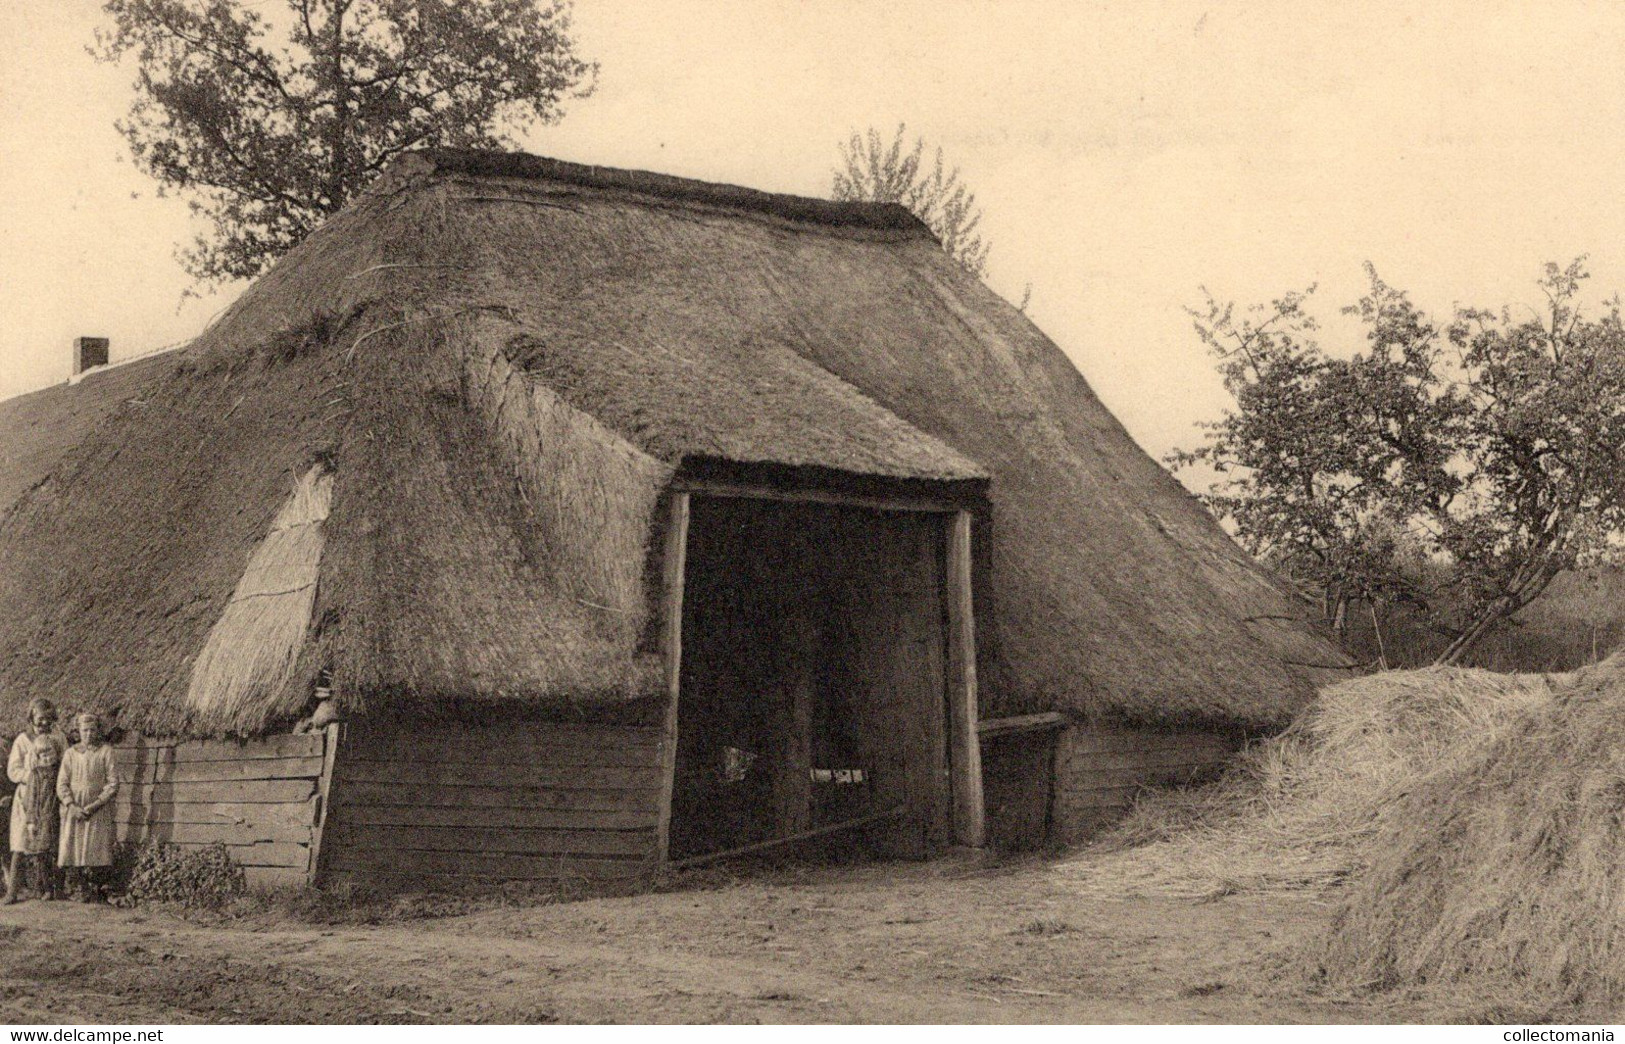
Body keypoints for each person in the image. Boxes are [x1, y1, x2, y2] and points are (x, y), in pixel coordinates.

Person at [5, 699, 67, 903]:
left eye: (49, 719)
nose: (44, 723)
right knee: (21, 842)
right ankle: (12, 891)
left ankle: (50, 890)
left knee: (49, 844)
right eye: (40, 719)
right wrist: (32, 777)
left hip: (51, 795)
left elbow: (66, 763)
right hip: (28, 796)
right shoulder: (23, 740)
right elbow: (13, 770)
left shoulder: (58, 737)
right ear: (32, 718)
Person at [57, 713, 119, 902]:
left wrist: (96, 804)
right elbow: (62, 783)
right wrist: (71, 805)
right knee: (74, 845)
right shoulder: (70, 753)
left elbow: (113, 782)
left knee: (96, 845)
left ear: (99, 731)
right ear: (78, 732)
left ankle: (98, 888)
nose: (89, 734)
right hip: (75, 808)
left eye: (93, 730)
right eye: (85, 730)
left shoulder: (105, 751)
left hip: (97, 808)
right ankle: (79, 887)